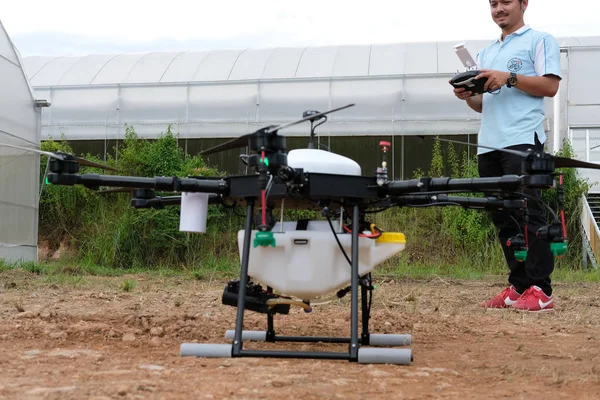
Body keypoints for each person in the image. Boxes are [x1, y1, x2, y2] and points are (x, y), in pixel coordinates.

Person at [451, 0, 561, 312]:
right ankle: (520, 286)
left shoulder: (539, 40)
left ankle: (542, 288)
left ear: (524, 4)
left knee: (530, 215)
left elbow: (550, 86)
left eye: (506, 2)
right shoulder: (486, 54)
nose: (499, 8)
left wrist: (509, 77)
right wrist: (468, 94)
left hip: (522, 141)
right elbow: (484, 105)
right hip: (489, 146)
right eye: (493, 3)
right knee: (503, 218)